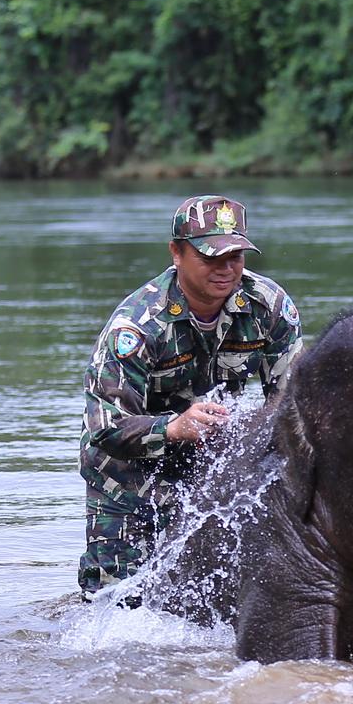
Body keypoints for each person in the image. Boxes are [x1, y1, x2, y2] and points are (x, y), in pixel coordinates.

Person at [79, 195, 302, 600]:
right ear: (176, 253)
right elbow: (104, 428)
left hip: (214, 462)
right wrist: (175, 427)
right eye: (211, 257)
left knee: (219, 596)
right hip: (127, 478)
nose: (226, 268)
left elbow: (294, 403)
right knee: (116, 605)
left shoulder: (268, 306)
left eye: (236, 256)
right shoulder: (136, 327)